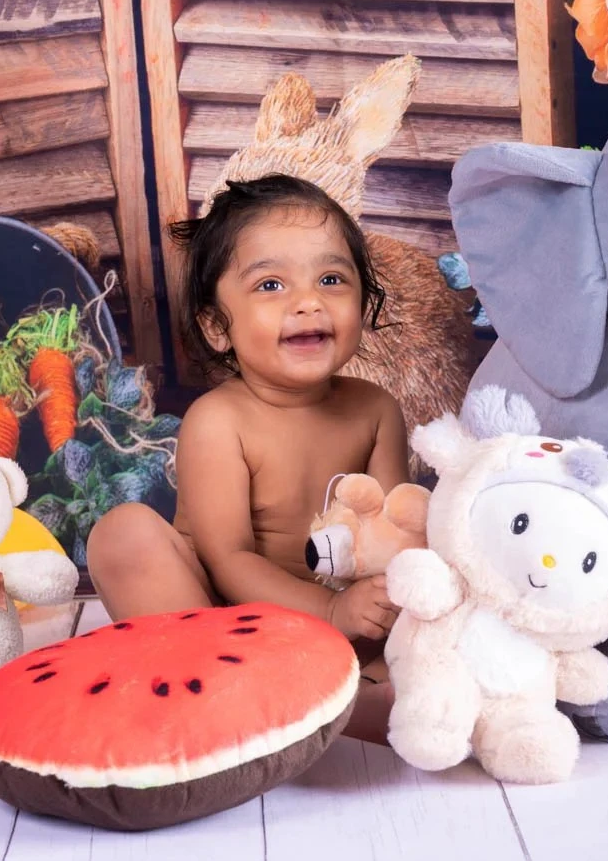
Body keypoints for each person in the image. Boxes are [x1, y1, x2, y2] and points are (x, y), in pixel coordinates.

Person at [86, 173, 409, 743]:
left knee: (424, 640)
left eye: (331, 279)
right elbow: (228, 560)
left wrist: (373, 615)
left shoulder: (376, 409)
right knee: (123, 534)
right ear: (217, 327)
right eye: (270, 285)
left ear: (363, 300)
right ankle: (223, 690)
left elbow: (395, 538)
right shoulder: (219, 420)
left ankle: (332, 697)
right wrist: (327, 612)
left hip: (345, 629)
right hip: (223, 623)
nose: (308, 302)